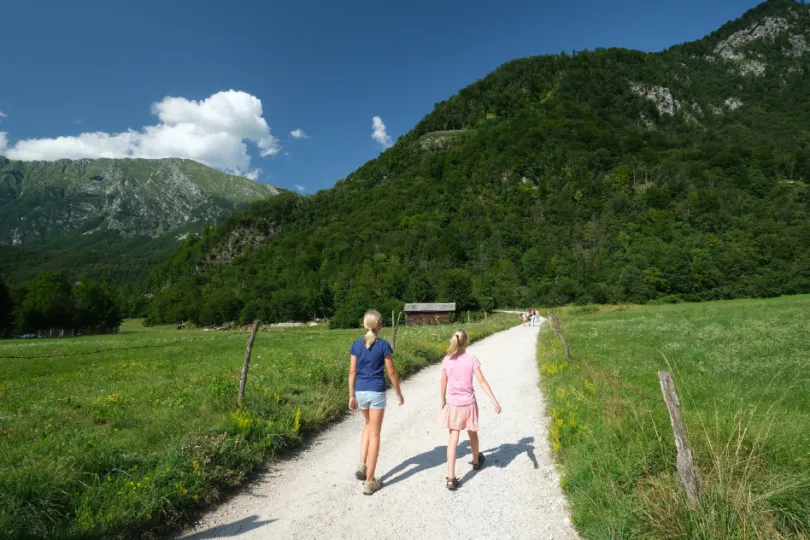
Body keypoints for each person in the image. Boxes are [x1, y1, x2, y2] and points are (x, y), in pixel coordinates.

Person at [348, 309, 404, 495]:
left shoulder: (356, 345)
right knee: (375, 434)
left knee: (368, 425)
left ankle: (362, 464)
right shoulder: (383, 346)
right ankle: (370, 481)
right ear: (379, 326)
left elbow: (352, 373)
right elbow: (392, 373)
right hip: (376, 392)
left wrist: (351, 395)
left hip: (360, 391)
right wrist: (399, 393)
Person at [438, 329, 501, 490]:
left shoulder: (447, 360)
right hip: (469, 404)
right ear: (467, 342)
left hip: (453, 404)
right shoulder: (472, 360)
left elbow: (443, 382)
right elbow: (482, 381)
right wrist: (494, 400)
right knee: (472, 433)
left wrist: (443, 399)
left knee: (453, 439)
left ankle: (451, 478)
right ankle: (476, 461)